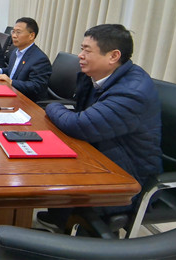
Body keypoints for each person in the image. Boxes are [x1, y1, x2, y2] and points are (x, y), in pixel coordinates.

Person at [39, 24, 162, 232]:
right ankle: (60, 217)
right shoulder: (97, 77)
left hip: (127, 175)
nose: (80, 55)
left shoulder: (132, 92)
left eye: (87, 50)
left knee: (49, 165)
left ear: (113, 56)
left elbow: (80, 125)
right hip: (103, 151)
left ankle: (78, 233)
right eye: (82, 49)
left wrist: (53, 106)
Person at [0, 17, 51, 102]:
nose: (14, 35)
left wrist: (11, 82)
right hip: (10, 93)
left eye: (18, 32)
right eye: (13, 32)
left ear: (31, 35)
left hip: (26, 101)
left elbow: (37, 86)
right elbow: (14, 71)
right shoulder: (15, 51)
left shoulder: (40, 59)